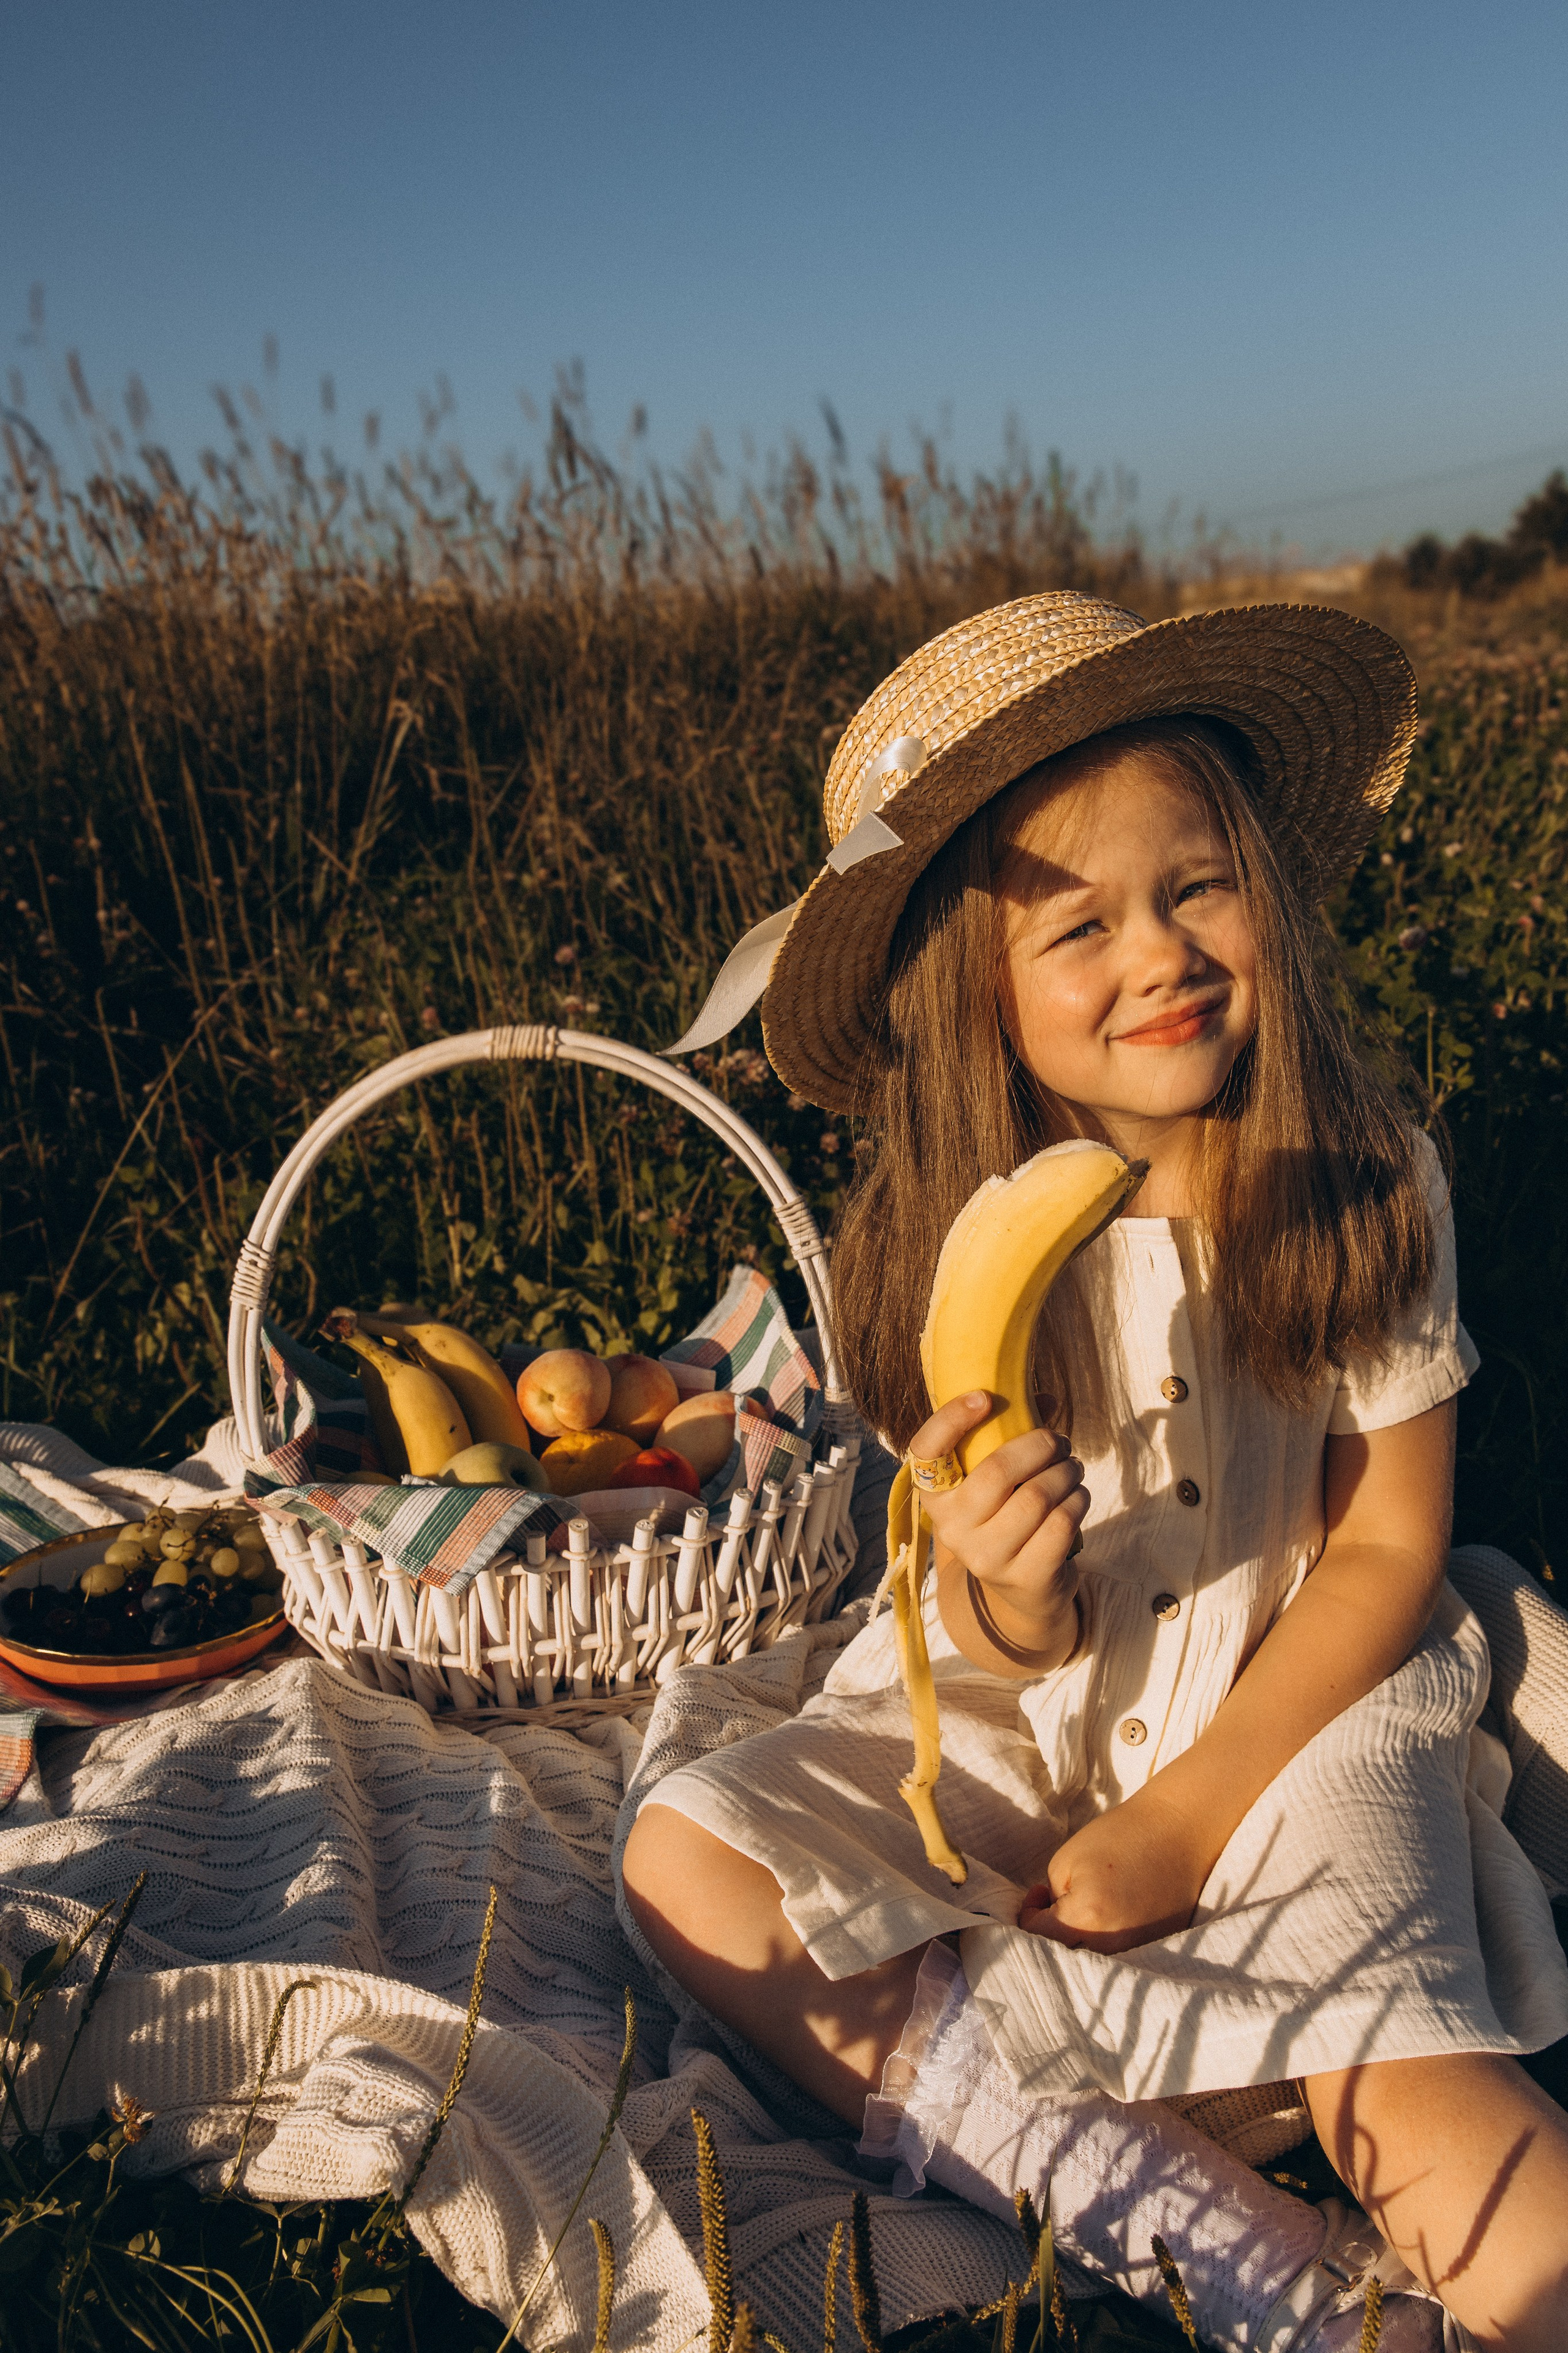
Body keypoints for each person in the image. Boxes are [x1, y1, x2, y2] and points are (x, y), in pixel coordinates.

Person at [620, 592, 1568, 2351]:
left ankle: (1374, 2212)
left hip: (1299, 1699)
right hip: (1027, 1710)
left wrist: (1190, 1812)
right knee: (684, 1858)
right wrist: (1011, 1584)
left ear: (1267, 894)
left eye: (1198, 886)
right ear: (976, 985)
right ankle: (1239, 2255)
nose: (1162, 954)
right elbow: (985, 1625)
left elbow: (1388, 1545)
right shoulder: (939, 1250)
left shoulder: (1361, 1179)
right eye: (1079, 923)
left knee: (1421, 2092)